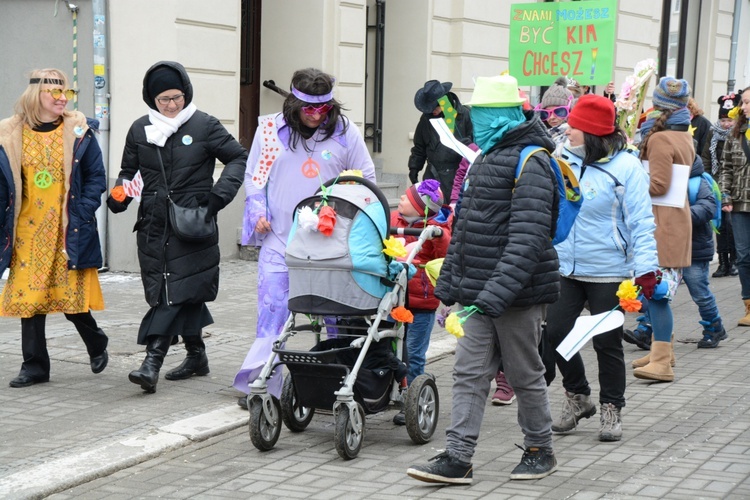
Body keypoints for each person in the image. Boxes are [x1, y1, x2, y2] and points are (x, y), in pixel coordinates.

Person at [406, 74, 560, 484]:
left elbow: (528, 240)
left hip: (518, 295)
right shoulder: (484, 158)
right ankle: (459, 457)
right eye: (480, 113)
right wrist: (448, 291)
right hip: (477, 295)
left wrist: (492, 296)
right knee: (468, 373)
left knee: (525, 373)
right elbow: (465, 231)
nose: (482, 122)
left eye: (491, 114)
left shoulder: (533, 161)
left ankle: (539, 448)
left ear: (511, 114)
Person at [233, 68, 376, 405]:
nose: (315, 116)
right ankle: (262, 381)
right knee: (272, 310)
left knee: (335, 314)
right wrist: (258, 211)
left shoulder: (344, 132)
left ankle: (342, 381)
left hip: (329, 242)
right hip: (280, 238)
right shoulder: (270, 131)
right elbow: (255, 175)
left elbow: (365, 176)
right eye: (308, 109)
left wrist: (348, 211)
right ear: (293, 104)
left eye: (323, 109)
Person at [107, 61, 247, 393]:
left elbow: (238, 157)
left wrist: (216, 199)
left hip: (192, 224)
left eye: (177, 97)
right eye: (163, 99)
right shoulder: (141, 129)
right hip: (154, 226)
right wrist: (119, 196)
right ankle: (197, 355)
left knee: (172, 293)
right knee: (181, 291)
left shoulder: (204, 125)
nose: (171, 105)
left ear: (186, 93)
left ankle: (151, 363)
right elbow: (129, 172)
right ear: (151, 100)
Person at [545, 94, 659, 442]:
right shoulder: (560, 157)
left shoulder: (626, 168)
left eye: (575, 127)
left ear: (593, 133)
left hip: (608, 270)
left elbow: (640, 221)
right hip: (565, 267)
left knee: (606, 343)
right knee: (555, 336)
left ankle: (612, 408)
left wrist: (646, 269)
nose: (568, 131)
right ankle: (578, 395)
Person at [0, 68, 109, 388]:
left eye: (67, 93)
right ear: (36, 96)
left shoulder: (79, 132)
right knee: (30, 299)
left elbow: (96, 179)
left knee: (70, 298)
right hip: (26, 230)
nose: (62, 99)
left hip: (67, 228)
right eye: (55, 92)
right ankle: (34, 366)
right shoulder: (10, 134)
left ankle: (96, 342)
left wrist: (83, 212)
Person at [630, 76, 695, 382]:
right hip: (676, 221)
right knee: (661, 292)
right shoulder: (684, 136)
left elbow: (658, 184)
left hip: (663, 226)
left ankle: (662, 362)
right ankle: (663, 351)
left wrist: (630, 179)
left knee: (657, 294)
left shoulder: (659, 139)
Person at [390, 180, 452, 425]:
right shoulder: (395, 220)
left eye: (407, 198)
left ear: (420, 207)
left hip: (421, 302)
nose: (401, 200)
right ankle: (395, 389)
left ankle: (413, 400)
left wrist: (436, 233)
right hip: (392, 298)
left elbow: (445, 249)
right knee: (390, 348)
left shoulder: (436, 228)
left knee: (414, 353)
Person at [407, 80, 473, 199]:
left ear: (443, 101)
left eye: (434, 107)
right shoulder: (427, 119)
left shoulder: (464, 115)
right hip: (432, 176)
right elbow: (419, 147)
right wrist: (414, 167)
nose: (432, 111)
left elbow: (475, 145)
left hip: (457, 176)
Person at [719, 87, 750, 325]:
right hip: (741, 203)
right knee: (743, 256)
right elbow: (726, 167)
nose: (746, 107)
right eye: (744, 102)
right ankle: (749, 305)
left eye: (749, 102)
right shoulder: (735, 133)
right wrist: (726, 196)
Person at [705, 92, 742, 278]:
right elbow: (706, 158)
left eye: (729, 120)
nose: (726, 124)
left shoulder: (738, 134)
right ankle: (723, 261)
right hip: (716, 184)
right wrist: (708, 179)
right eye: (722, 119)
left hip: (733, 186)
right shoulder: (713, 134)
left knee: (731, 224)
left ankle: (735, 260)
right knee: (719, 224)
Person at [535, 76, 574, 149]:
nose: (552, 117)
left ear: (570, 111)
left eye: (559, 111)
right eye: (545, 113)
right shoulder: (537, 136)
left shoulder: (577, 139)